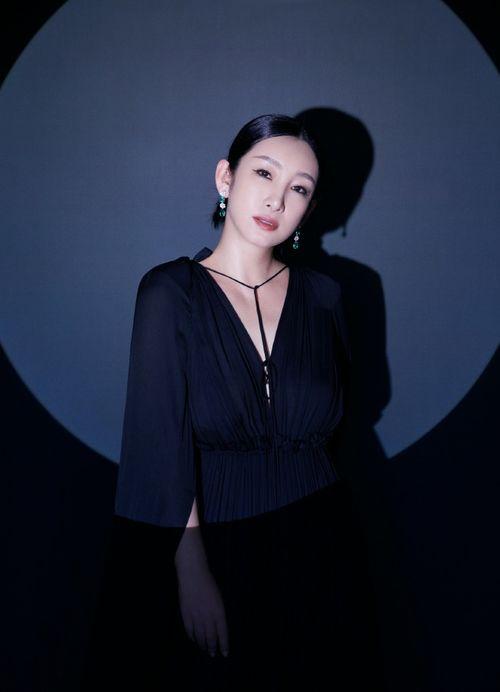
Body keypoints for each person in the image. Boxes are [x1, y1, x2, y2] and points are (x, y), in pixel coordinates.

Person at [114, 113, 384, 690]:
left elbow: (348, 422)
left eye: (299, 189)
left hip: (324, 544)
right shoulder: (170, 293)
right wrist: (191, 571)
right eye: (264, 173)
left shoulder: (327, 295)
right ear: (226, 177)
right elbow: (158, 449)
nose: (277, 199)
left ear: (310, 209)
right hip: (220, 543)